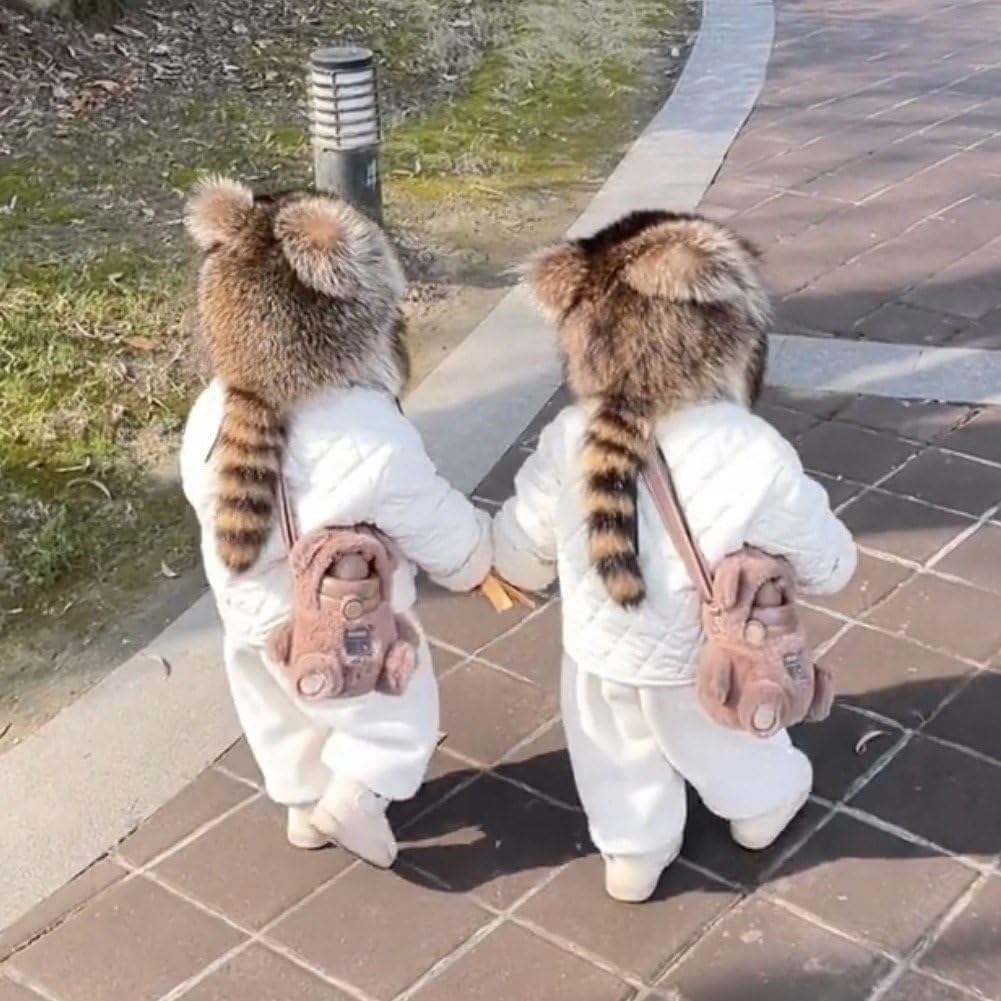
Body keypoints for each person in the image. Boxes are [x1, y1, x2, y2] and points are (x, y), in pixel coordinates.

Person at [491, 211, 856, 902]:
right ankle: (761, 806)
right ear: (725, 339)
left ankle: (633, 852)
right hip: (706, 655)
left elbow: (527, 530)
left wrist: (505, 566)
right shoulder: (747, 445)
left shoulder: (571, 432)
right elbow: (822, 554)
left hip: (600, 651)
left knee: (613, 751)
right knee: (725, 738)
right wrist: (834, 567)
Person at [179, 178, 491, 868]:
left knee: (280, 708)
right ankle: (358, 794)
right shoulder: (364, 428)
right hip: (349, 615)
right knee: (390, 707)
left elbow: (202, 492)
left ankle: (302, 805)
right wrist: (475, 560)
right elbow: (425, 510)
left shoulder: (211, 412)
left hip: (250, 610)